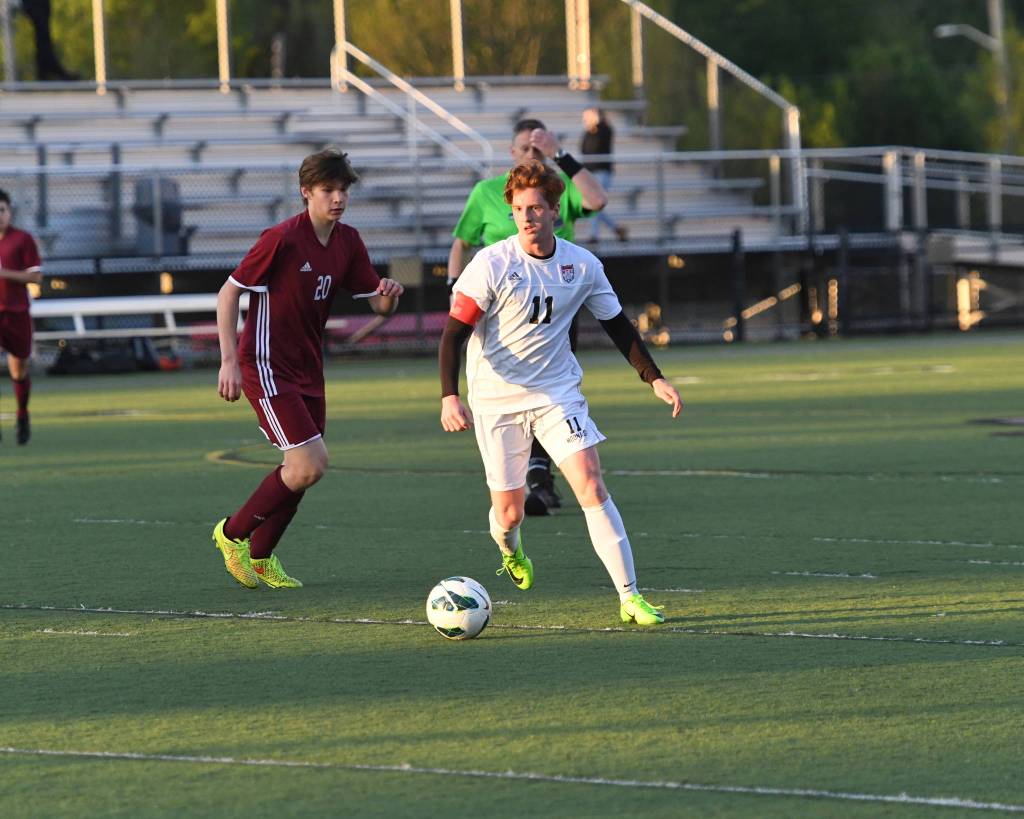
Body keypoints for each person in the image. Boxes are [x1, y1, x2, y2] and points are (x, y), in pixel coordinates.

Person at [439, 160, 682, 625]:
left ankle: (630, 596)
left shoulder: (582, 264)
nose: (526, 217)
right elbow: (453, 335)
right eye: (518, 209)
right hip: (496, 400)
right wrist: (450, 396)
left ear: (555, 210)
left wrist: (655, 378)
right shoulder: (490, 264)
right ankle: (511, 550)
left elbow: (617, 325)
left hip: (556, 394)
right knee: (509, 515)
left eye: (535, 208)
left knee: (590, 482)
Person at [213, 147, 403, 589]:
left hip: (308, 369)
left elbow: (378, 306)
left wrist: (389, 295)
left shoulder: (348, 241)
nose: (337, 198)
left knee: (302, 470)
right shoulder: (281, 238)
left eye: (343, 190)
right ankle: (232, 534)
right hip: (266, 365)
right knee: (308, 465)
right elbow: (229, 292)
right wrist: (228, 361)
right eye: (327, 190)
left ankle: (261, 557)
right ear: (306, 192)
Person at [448, 117, 609, 517]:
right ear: (512, 152)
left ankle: (541, 476)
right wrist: (454, 286)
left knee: (552, 387)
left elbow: (597, 200)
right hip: (502, 304)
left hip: (558, 298)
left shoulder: (559, 187)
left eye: (540, 148)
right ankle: (519, 483)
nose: (533, 154)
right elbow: (462, 241)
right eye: (526, 148)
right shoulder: (488, 192)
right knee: (506, 385)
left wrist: (562, 155)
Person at [0, 189, 43, 445]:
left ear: (9, 212)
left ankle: (22, 414)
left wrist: (4, 273)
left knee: (19, 369)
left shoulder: (22, 239)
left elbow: (36, 277)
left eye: (2, 210)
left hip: (16, 313)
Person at [580, 107, 628, 242]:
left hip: (602, 171)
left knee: (594, 203)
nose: (585, 120)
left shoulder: (605, 129)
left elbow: (599, 145)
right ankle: (617, 229)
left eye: (588, 116)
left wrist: (597, 123)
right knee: (592, 204)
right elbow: (584, 149)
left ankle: (594, 235)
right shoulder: (588, 132)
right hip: (590, 172)